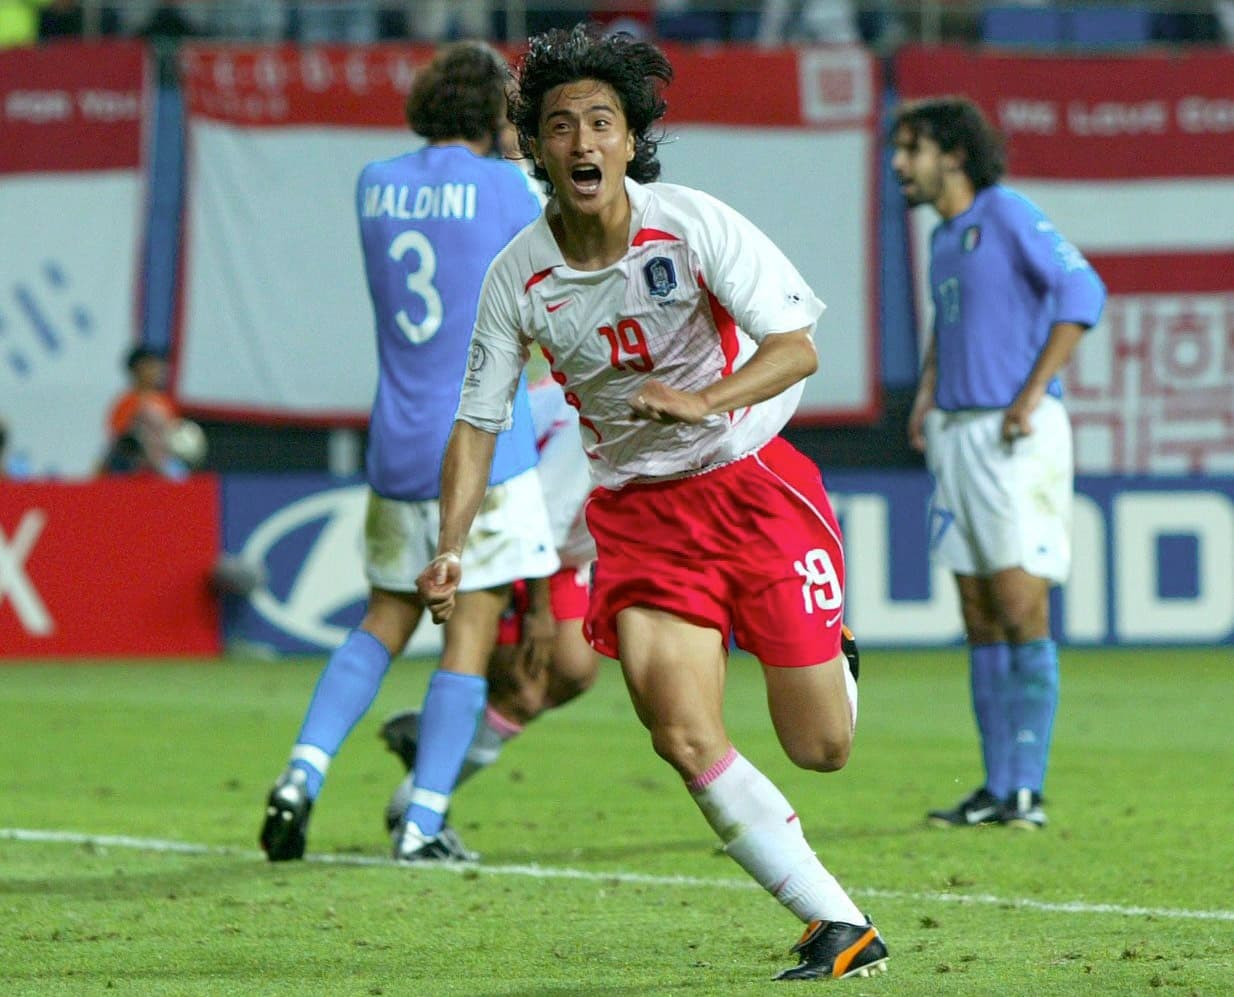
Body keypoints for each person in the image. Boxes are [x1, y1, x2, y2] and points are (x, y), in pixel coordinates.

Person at [416, 24, 888, 983]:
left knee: (822, 747)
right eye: (560, 126)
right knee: (677, 728)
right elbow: (476, 420)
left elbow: (797, 347)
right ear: (536, 149)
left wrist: (702, 400)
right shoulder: (518, 278)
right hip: (641, 517)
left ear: (632, 140)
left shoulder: (693, 223)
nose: (583, 142)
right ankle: (840, 924)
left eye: (601, 122)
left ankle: (833, 652)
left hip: (751, 487)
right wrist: (450, 545)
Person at [259, 40, 559, 864]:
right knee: (469, 633)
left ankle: (300, 774)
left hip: (393, 436)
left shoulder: (374, 183)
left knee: (383, 619)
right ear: (495, 112)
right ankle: (423, 822)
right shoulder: (509, 187)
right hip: (484, 443)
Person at [890, 96, 1106, 831]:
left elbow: (1084, 289)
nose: (898, 164)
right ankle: (994, 787)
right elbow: (948, 327)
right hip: (956, 431)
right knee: (979, 614)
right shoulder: (946, 237)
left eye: (910, 149)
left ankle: (1026, 789)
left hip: (1015, 437)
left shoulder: (1005, 210)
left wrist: (1034, 389)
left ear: (952, 154)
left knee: (1020, 607)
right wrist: (926, 392)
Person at [379, 376, 601, 834]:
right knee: (520, 685)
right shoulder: (594, 417)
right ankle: (417, 808)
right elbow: (548, 508)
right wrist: (539, 611)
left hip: (565, 556)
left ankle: (430, 744)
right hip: (518, 543)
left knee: (575, 673)